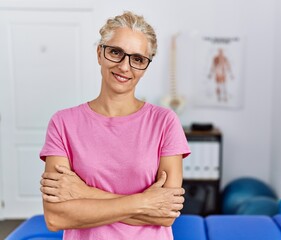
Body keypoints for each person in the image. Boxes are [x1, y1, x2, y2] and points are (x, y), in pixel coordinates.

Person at [39, 11, 190, 240]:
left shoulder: (165, 122)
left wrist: (84, 194)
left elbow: (166, 214)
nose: (124, 66)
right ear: (100, 53)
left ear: (145, 66)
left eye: (137, 59)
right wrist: (145, 202)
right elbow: (56, 217)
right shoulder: (63, 123)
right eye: (116, 52)